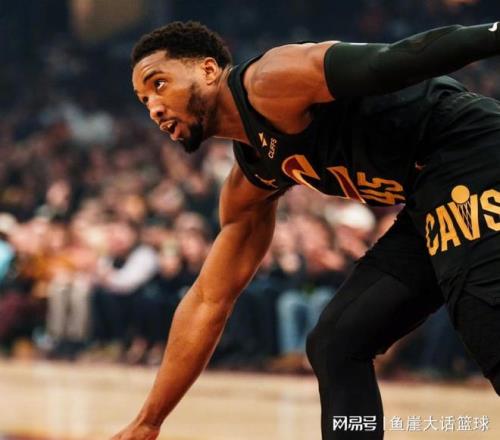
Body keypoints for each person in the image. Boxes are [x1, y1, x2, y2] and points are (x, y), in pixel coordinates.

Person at [113, 20, 500, 439]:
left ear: (208, 69)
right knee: (337, 342)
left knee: (486, 322)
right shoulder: (252, 180)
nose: (153, 107)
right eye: (144, 99)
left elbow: (397, 59)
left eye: (159, 84)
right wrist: (149, 421)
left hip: (475, 152)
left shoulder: (272, 79)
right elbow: (208, 300)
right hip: (427, 195)